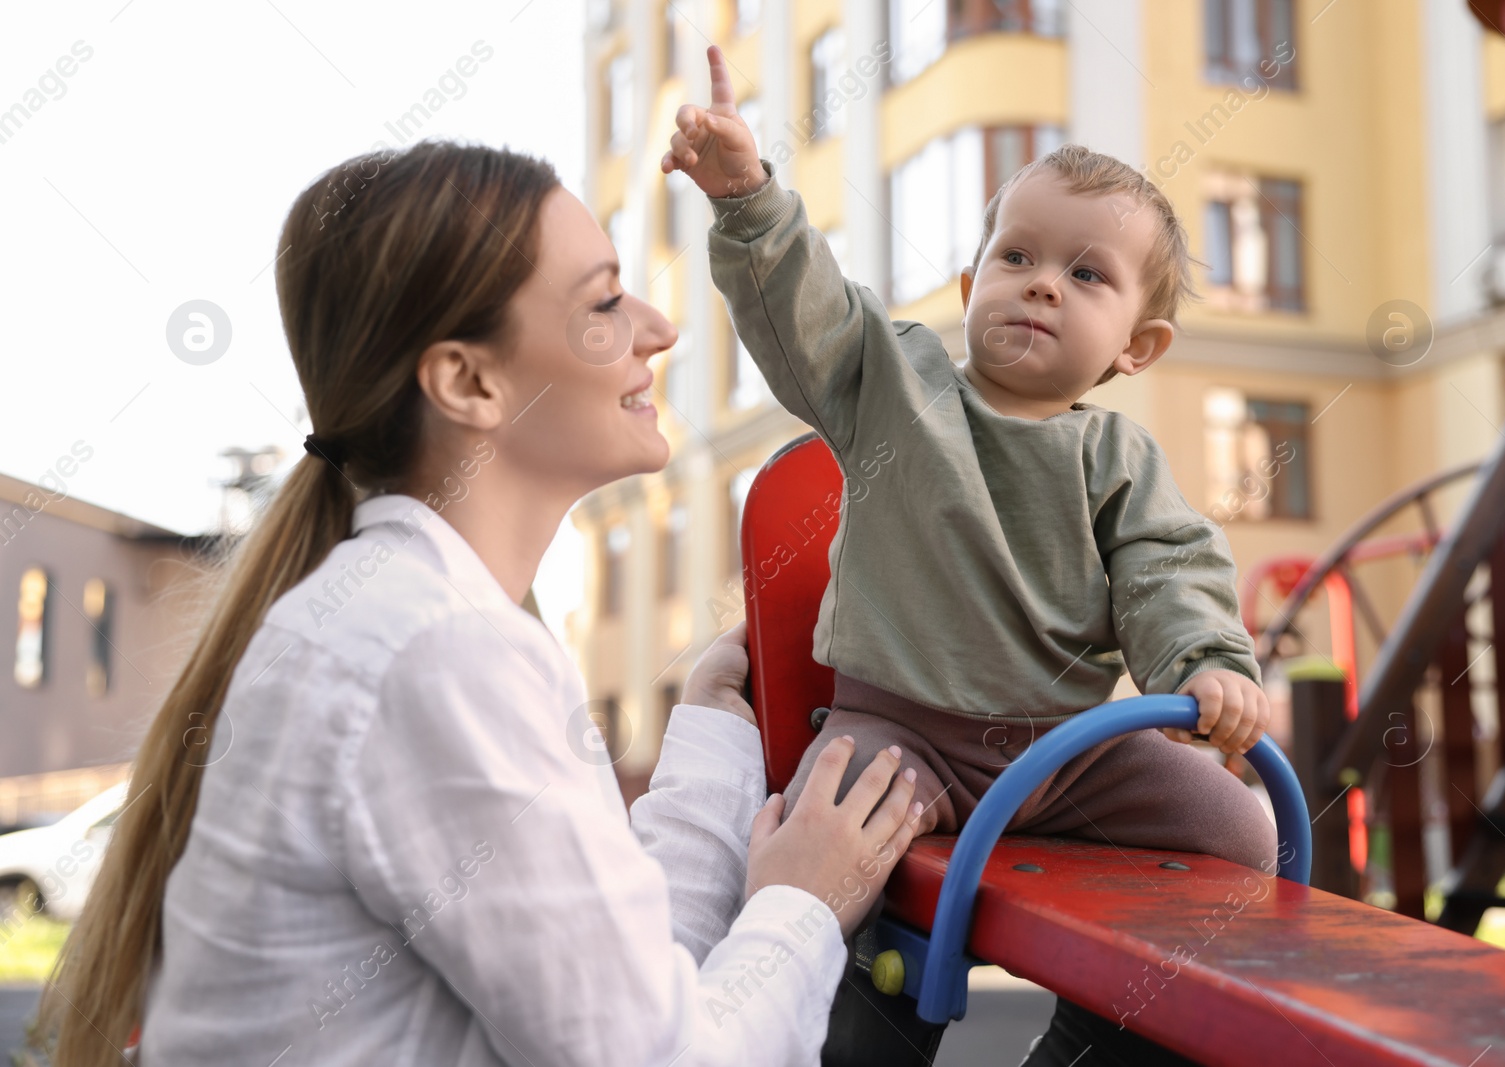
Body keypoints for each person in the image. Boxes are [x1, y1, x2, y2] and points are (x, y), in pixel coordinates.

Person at [37, 139, 934, 1067]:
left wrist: (712, 737)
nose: (659, 326)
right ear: (466, 380)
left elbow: (621, 992)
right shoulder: (431, 649)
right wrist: (806, 903)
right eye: (601, 303)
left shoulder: (418, 617)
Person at [663, 46, 1279, 1064]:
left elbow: (1169, 570)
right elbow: (806, 310)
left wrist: (1205, 666)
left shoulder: (1115, 455)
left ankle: (1103, 1028)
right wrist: (747, 195)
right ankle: (856, 1039)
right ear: (970, 280)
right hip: (899, 737)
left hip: (1064, 751)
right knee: (840, 862)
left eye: (1086, 275)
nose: (1041, 287)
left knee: (1241, 835)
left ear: (1138, 344)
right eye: (1017, 258)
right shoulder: (890, 384)